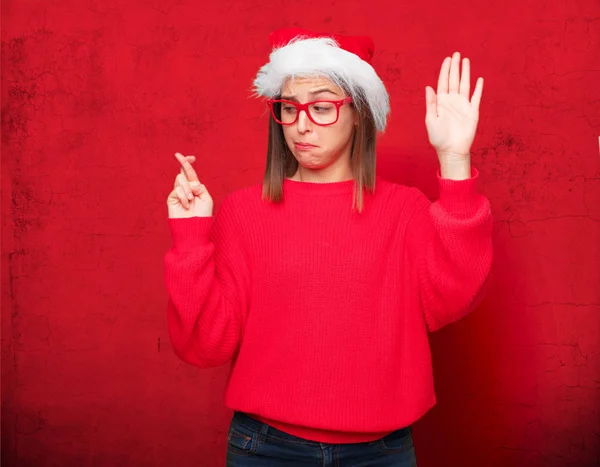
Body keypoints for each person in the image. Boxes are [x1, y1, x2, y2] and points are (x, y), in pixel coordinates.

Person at [164, 27, 492, 467]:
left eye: (321, 107)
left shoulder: (404, 210)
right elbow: (204, 345)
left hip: (381, 452)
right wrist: (190, 239)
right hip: (265, 448)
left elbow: (451, 298)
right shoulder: (243, 212)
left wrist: (454, 162)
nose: (301, 126)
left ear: (359, 113)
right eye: (288, 109)